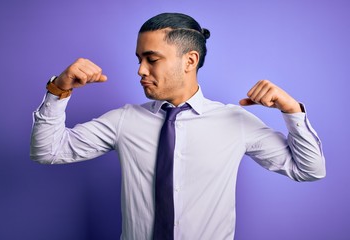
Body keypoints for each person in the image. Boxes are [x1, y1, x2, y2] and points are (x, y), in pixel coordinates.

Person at [30, 12, 326, 240]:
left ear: (190, 60)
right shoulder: (124, 120)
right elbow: (48, 151)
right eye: (139, 59)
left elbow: (309, 170)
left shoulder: (235, 122)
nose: (140, 70)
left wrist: (291, 110)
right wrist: (58, 90)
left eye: (152, 59)